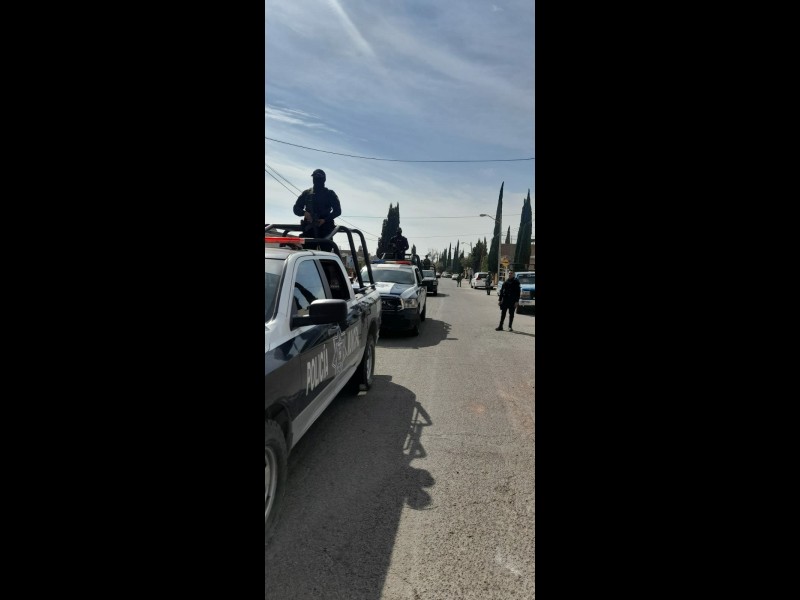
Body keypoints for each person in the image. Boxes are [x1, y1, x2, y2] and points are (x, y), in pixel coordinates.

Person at [293, 169, 341, 250]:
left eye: (319, 178)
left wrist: (324, 220)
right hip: (309, 230)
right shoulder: (307, 193)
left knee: (325, 255)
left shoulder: (329, 194)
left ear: (324, 179)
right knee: (308, 254)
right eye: (315, 178)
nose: (317, 180)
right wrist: (304, 213)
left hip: (325, 230)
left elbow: (338, 211)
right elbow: (296, 208)